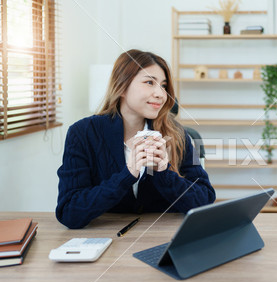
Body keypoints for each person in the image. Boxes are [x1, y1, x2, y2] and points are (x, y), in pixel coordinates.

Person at [56, 49, 215, 229]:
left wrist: (163, 173)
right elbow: (69, 212)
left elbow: (204, 199)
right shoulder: (82, 133)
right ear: (122, 87)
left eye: (163, 86)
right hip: (109, 242)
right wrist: (127, 175)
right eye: (149, 82)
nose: (161, 94)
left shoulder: (177, 133)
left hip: (163, 238)